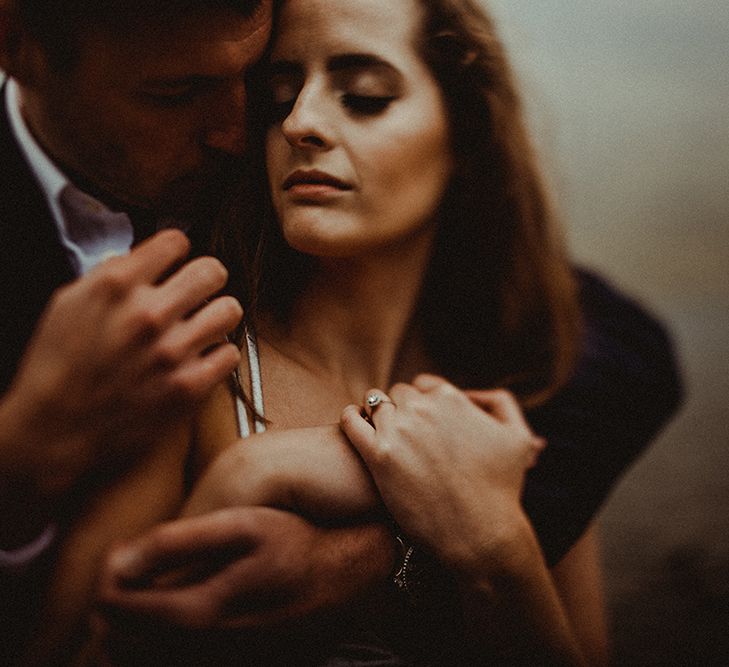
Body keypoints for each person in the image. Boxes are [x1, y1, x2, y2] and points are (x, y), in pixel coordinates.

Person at [95, 0, 682, 664]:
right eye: (280, 96)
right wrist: (249, 472)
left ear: (463, 134)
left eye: (365, 97)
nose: (301, 122)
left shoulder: (515, 379)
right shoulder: (195, 363)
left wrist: (497, 545)